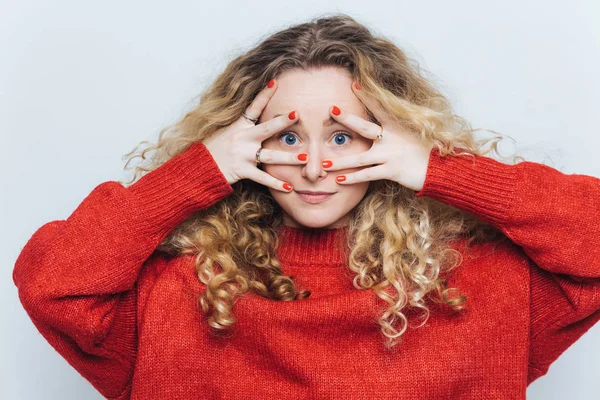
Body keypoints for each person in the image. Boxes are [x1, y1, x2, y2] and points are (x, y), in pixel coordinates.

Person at [13, 13, 600, 400]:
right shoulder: (173, 289)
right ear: (239, 141)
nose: (315, 167)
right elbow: (51, 283)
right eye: (287, 137)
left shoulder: (482, 284)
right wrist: (196, 171)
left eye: (343, 136)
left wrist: (439, 169)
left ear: (395, 137)